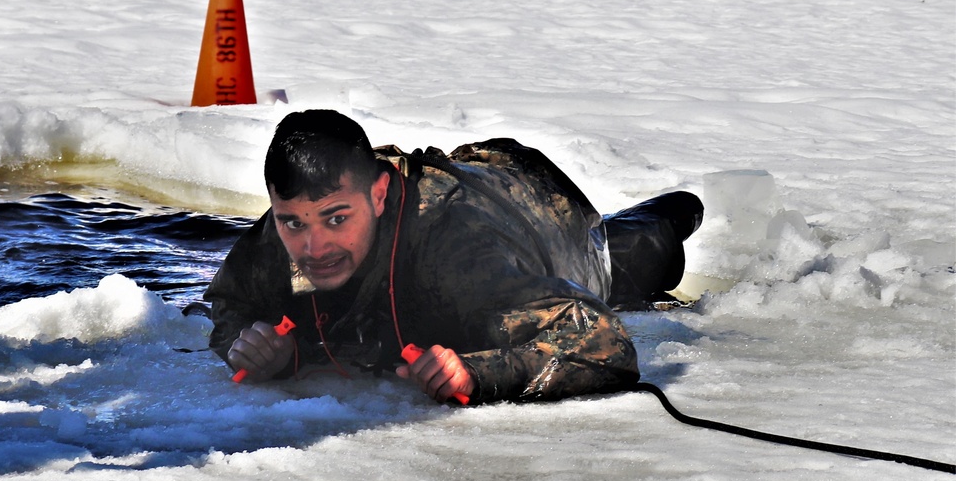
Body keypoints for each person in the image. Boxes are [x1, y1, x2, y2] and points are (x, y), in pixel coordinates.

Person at [204, 110, 703, 405]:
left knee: (627, 260)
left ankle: (678, 210)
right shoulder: (293, 222)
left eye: (337, 219)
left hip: (540, 208)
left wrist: (479, 373)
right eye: (293, 223)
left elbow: (604, 342)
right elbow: (231, 304)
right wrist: (253, 347)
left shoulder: (456, 252)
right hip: (457, 185)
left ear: (379, 196)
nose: (313, 249)